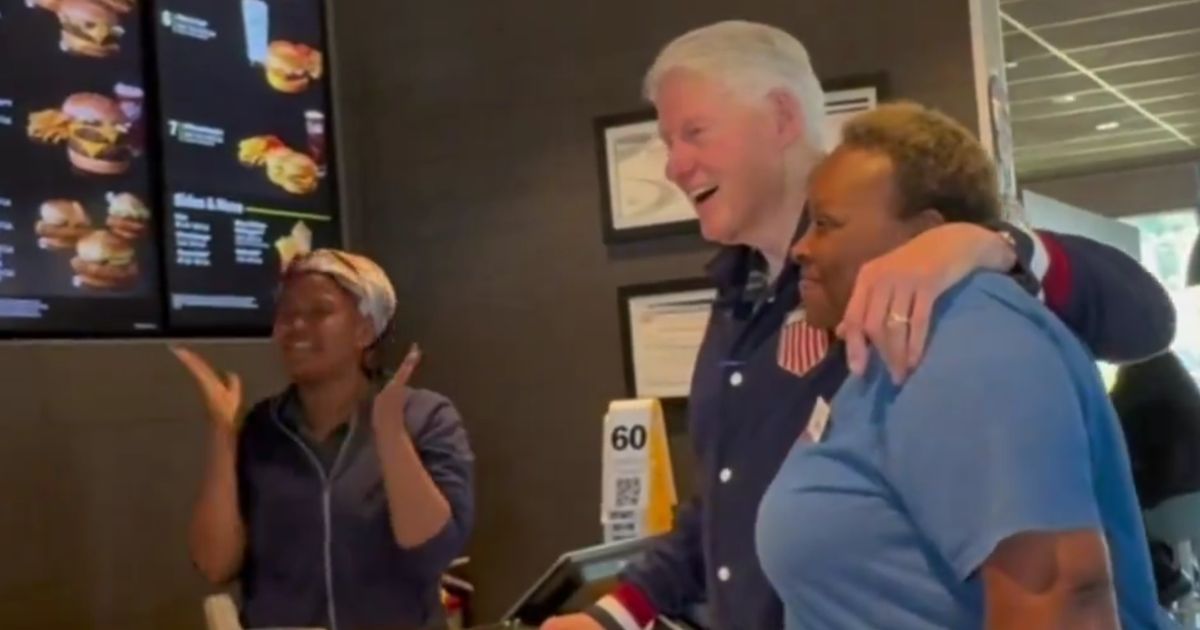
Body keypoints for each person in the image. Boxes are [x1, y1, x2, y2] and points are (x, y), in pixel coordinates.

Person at [544, 20, 1175, 630]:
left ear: (782, 118)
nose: (674, 166)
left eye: (695, 133)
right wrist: (618, 611)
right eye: (668, 142)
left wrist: (996, 243)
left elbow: (1145, 318)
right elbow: (728, 499)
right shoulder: (739, 292)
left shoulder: (949, 289)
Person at [755, 101, 1163, 629]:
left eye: (826, 224)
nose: (801, 249)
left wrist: (1001, 243)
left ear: (924, 235)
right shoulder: (886, 350)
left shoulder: (970, 336)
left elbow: (1059, 597)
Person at [174, 249, 474, 630]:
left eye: (319, 312)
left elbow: (433, 551)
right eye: (286, 313)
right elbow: (214, 564)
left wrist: (390, 434)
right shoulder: (262, 428)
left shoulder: (427, 418)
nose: (295, 325)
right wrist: (223, 432)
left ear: (365, 329)